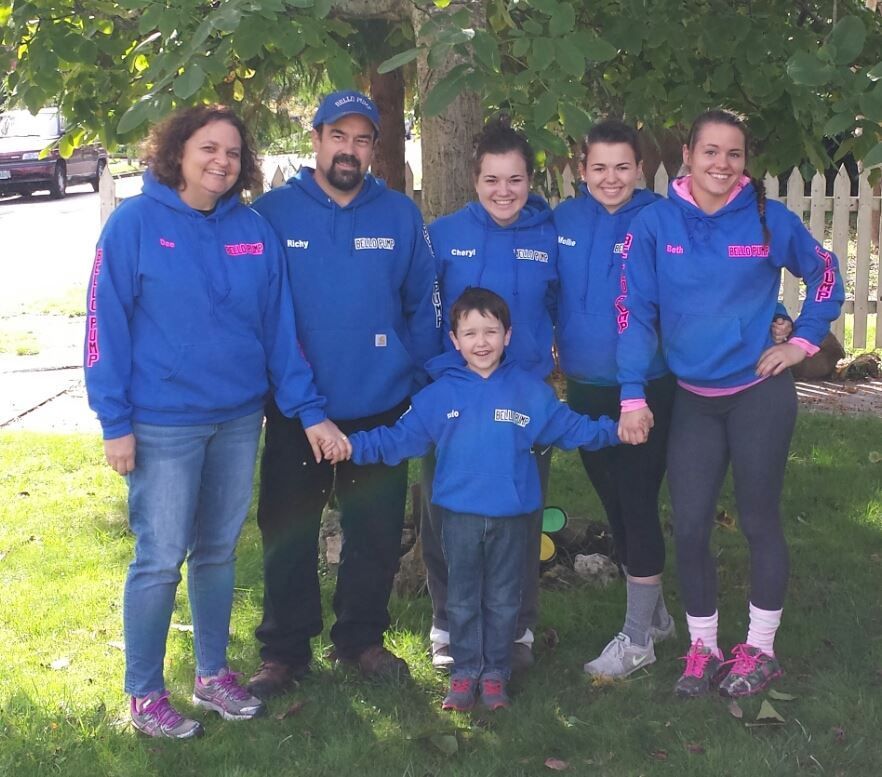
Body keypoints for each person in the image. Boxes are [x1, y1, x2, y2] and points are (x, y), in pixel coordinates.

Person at [84, 105, 342, 739]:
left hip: (236, 418)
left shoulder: (252, 230)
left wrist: (308, 410)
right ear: (178, 151)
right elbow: (102, 327)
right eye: (208, 148)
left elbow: (279, 328)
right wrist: (114, 421)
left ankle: (211, 674)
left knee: (218, 553)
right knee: (160, 557)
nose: (221, 161)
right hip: (162, 424)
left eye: (232, 152)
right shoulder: (134, 224)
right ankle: (145, 694)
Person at [617, 108, 844, 698]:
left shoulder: (768, 220)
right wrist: (632, 392)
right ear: (686, 156)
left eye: (734, 153)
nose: (722, 164)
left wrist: (799, 342)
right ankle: (703, 647)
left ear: (746, 163)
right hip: (694, 398)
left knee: (758, 520)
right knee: (690, 527)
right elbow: (635, 311)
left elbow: (824, 273)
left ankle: (761, 650)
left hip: (757, 396)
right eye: (711, 151)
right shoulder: (655, 224)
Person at [337, 288, 621, 710]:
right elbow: (397, 439)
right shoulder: (439, 396)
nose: (482, 341)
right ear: (454, 340)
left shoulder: (530, 393)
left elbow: (573, 428)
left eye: (491, 331)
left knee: (506, 596)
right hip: (458, 517)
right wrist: (348, 446)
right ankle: (465, 670)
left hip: (513, 517)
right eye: (470, 333)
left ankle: (495, 674)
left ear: (508, 335)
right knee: (463, 596)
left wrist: (620, 429)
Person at [245, 91, 440, 697]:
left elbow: (423, 306)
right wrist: (302, 405)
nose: (349, 150)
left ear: (374, 149)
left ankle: (360, 640)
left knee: (376, 535)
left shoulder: (400, 216)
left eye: (362, 140)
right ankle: (284, 651)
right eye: (339, 136)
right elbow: (266, 319)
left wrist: (417, 384)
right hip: (297, 411)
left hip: (380, 410)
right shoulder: (273, 214)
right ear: (317, 138)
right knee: (288, 532)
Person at [423, 116, 558, 671]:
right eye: (492, 180)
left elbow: (567, 308)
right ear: (474, 180)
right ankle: (447, 627)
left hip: (524, 402)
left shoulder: (550, 236)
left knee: (522, 512)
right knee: (444, 513)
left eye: (516, 180)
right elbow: (423, 313)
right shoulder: (443, 235)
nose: (504, 191)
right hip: (454, 399)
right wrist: (435, 375)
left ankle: (516, 629)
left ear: (530, 181)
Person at [553, 120, 678, 678]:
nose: (611, 178)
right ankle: (658, 618)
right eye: (599, 167)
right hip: (583, 390)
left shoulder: (659, 217)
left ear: (640, 169)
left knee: (636, 500)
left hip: (645, 390)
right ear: (582, 171)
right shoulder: (562, 219)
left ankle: (636, 640)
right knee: (613, 504)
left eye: (622, 166)